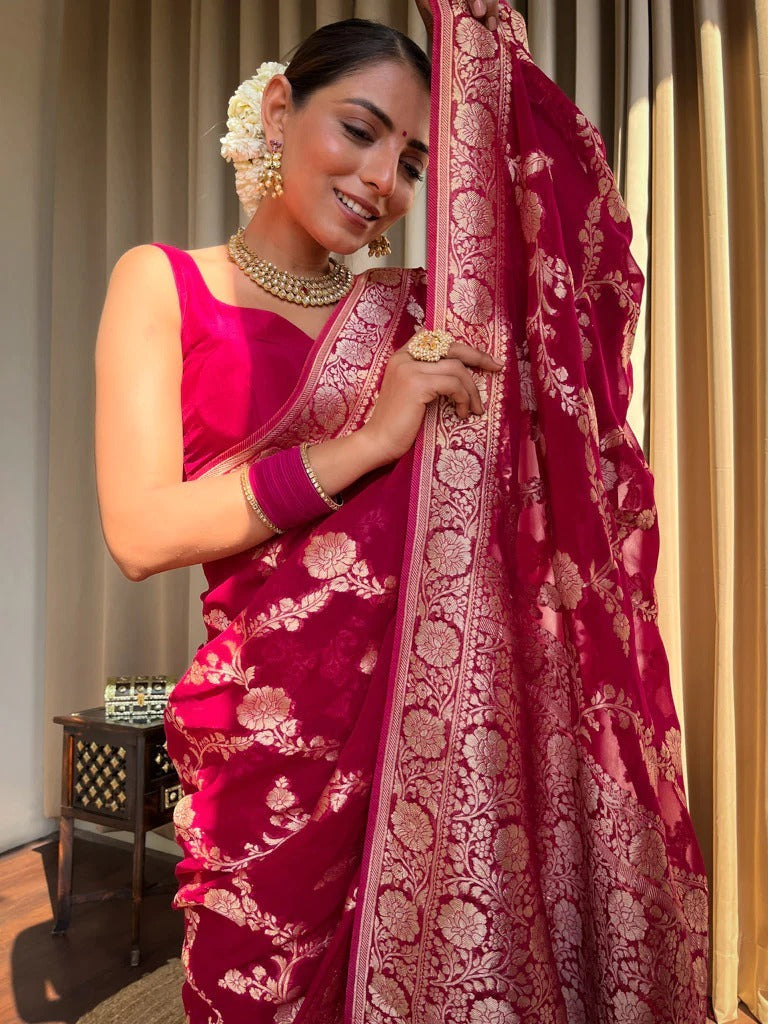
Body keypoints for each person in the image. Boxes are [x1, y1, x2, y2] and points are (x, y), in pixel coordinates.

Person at [95, 2, 708, 1022]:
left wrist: (491, 58)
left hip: (416, 749)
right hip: (268, 740)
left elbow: (572, 299)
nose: (384, 180)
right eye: (360, 129)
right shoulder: (167, 284)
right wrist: (369, 441)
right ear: (282, 108)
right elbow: (142, 531)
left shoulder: (415, 317)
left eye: (415, 161)